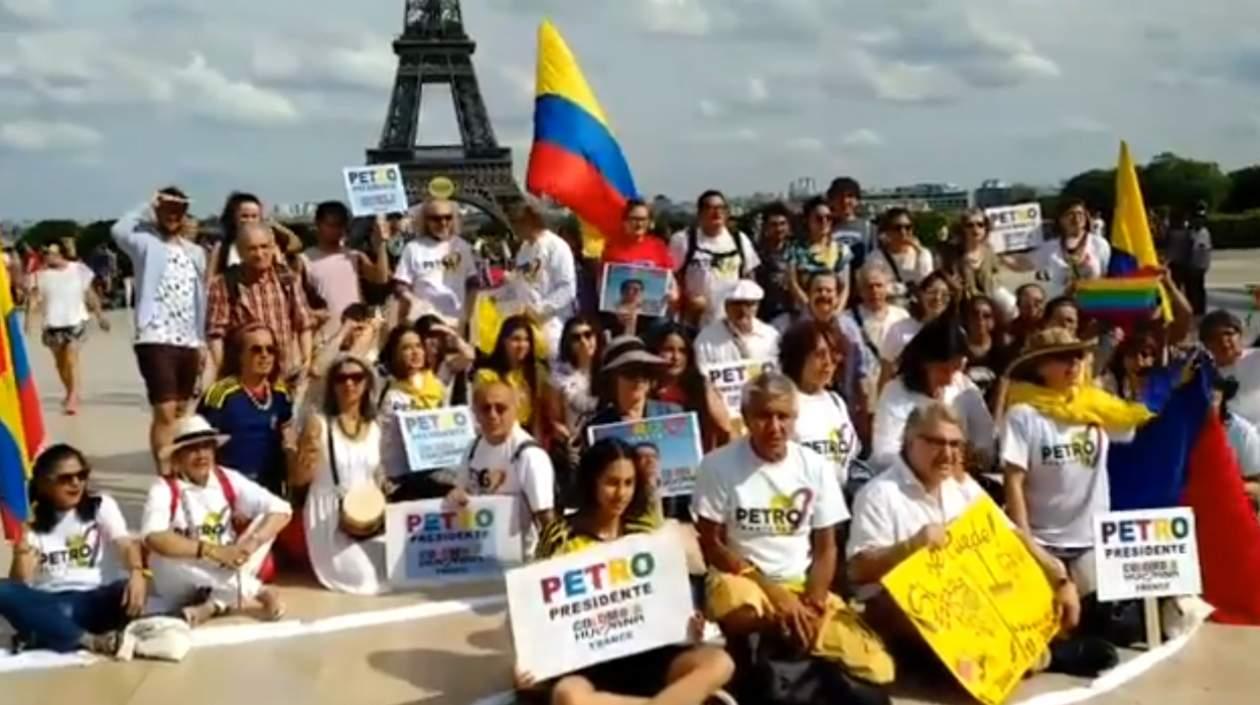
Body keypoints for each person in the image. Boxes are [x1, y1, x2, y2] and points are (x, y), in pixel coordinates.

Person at [847, 403, 1111, 676]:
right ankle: (1039, 656)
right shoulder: (879, 493)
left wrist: (1059, 578)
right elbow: (857, 570)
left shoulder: (962, 487)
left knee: (1024, 573)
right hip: (903, 610)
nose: (948, 453)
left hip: (966, 600)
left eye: (955, 444)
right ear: (911, 441)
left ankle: (1029, 652)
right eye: (937, 442)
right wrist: (910, 547)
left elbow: (1013, 536)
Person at [693, 372, 895, 686]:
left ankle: (794, 634)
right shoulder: (718, 465)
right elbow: (712, 543)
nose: (774, 427)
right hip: (745, 580)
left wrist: (813, 601)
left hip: (801, 585)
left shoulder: (814, 466)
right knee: (737, 606)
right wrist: (775, 595)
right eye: (763, 416)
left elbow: (826, 547)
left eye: (782, 416)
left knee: (880, 668)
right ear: (746, 418)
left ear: (794, 418)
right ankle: (781, 632)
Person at [516, 438, 737, 705]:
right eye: (612, 483)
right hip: (589, 663)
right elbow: (538, 609)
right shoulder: (560, 535)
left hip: (651, 654)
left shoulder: (643, 533)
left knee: (719, 662)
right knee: (569, 697)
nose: (621, 493)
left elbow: (666, 599)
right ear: (592, 482)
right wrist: (530, 661)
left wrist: (690, 621)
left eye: (629, 483)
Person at [1002, 328, 1153, 651]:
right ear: (1040, 367)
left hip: (1092, 541)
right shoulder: (1022, 415)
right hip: (1042, 542)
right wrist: (1028, 545)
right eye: (1061, 358)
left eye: (1077, 356)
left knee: (1117, 628)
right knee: (1044, 625)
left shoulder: (1097, 406)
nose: (1073, 364)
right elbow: (1013, 482)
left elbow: (1139, 420)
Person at [142, 415, 292, 625]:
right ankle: (259, 591)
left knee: (266, 521)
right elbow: (154, 537)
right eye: (193, 449)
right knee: (165, 557)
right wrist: (212, 552)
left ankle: (211, 607)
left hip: (229, 563)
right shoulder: (163, 488)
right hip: (185, 573)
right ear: (177, 457)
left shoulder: (227, 478)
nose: (201, 454)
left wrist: (250, 545)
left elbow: (282, 509)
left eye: (207, 447)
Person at [0, 445, 146, 655]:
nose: (76, 483)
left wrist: (137, 572)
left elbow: (124, 544)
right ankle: (87, 640)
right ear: (44, 484)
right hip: (52, 600)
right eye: (66, 478)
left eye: (81, 475)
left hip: (98, 596)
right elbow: (21, 582)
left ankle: (47, 634)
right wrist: (21, 553)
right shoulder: (32, 524)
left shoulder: (101, 506)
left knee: (128, 589)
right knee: (5, 591)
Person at [112, 188, 209, 470]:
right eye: (166, 209)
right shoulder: (144, 243)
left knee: (180, 410)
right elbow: (118, 230)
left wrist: (201, 339)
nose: (172, 215)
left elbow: (199, 297)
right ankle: (165, 474)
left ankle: (179, 469)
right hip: (155, 336)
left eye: (178, 210)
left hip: (188, 339)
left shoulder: (196, 252)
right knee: (165, 411)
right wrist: (147, 205)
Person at [293, 355, 387, 595]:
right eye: (341, 378)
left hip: (366, 517)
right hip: (328, 515)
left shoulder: (375, 428)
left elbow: (376, 478)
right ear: (331, 385)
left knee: (391, 569)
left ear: (367, 384)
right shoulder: (319, 424)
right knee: (364, 579)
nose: (349, 384)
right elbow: (299, 479)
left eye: (356, 378)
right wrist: (302, 454)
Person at [447, 380, 556, 557]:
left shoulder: (529, 455)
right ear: (475, 413)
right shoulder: (472, 449)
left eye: (500, 408)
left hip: (521, 560)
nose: (493, 415)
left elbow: (547, 519)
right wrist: (455, 498)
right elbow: (461, 491)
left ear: (515, 409)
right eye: (485, 408)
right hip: (480, 556)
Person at [870, 317, 994, 472]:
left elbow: (985, 440)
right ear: (924, 364)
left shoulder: (965, 388)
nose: (950, 379)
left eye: (956, 369)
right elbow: (884, 453)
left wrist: (972, 457)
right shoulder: (895, 393)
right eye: (942, 370)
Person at [206, 222, 315, 383]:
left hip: (285, 374)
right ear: (240, 252)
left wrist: (306, 361)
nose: (259, 254)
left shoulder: (286, 279)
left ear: (272, 248)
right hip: (244, 376)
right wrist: (222, 373)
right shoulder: (225, 283)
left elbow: (303, 323)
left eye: (264, 247)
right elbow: (216, 334)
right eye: (252, 248)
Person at [377, 322, 473, 498]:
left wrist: (450, 334)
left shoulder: (436, 381)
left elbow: (468, 356)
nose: (415, 353)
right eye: (406, 348)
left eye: (418, 346)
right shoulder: (388, 389)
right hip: (402, 479)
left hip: (437, 474)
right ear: (396, 353)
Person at [198, 323, 297, 494]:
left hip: (271, 491)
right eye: (256, 350)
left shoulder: (280, 393)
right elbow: (202, 447)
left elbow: (288, 437)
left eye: (270, 349)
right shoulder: (221, 395)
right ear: (240, 355)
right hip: (232, 490)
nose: (265, 355)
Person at [25, 241, 109, 415]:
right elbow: (33, 300)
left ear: (61, 253)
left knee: (71, 357)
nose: (48, 256)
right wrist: (28, 320)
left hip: (76, 321)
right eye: (45, 253)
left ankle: (73, 396)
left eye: (51, 252)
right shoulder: (39, 275)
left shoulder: (78, 269)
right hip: (52, 323)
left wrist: (100, 316)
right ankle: (70, 390)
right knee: (60, 363)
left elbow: (90, 294)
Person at [779, 320, 861, 488]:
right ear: (798, 358)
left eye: (833, 355)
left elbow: (850, 455)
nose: (828, 363)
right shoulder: (783, 403)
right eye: (819, 354)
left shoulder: (836, 402)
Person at [302, 201, 391, 342]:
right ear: (318, 224)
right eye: (331, 225)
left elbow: (381, 278)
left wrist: (381, 245)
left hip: (358, 329)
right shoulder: (305, 259)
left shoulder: (354, 256)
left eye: (340, 225)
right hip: (326, 334)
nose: (336, 230)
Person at [672, 190, 760, 328]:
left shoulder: (739, 239)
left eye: (721, 208)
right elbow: (672, 277)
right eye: (710, 208)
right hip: (693, 321)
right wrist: (686, 300)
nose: (717, 212)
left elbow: (749, 276)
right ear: (700, 213)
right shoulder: (683, 240)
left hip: (730, 321)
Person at [508, 199, 577, 358]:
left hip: (552, 323)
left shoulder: (557, 246)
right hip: (527, 324)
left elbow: (567, 288)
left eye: (516, 221)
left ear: (531, 219)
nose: (514, 227)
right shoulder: (524, 249)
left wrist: (540, 309)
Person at [647, 324, 734, 450]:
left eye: (682, 351)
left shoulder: (700, 386)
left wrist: (706, 391)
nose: (676, 357)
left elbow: (725, 427)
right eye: (668, 350)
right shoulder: (645, 389)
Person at [392, 197, 478, 325]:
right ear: (426, 220)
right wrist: (414, 301)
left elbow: (473, 283)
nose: (443, 223)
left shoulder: (462, 246)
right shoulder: (413, 247)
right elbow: (400, 285)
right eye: (436, 219)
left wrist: (466, 315)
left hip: (453, 321)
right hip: (423, 321)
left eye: (448, 217)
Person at [1004, 198, 1111, 299]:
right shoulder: (1051, 247)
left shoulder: (1099, 244)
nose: (1076, 218)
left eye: (1080, 213)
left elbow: (1107, 275)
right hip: (1060, 304)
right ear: (1060, 219)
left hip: (1093, 302)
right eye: (1070, 214)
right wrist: (999, 253)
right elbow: (1023, 263)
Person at [473, 315, 550, 439]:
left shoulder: (534, 373)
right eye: (516, 339)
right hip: (499, 434)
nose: (522, 345)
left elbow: (537, 415)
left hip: (527, 434)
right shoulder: (487, 375)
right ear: (503, 341)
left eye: (526, 340)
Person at [843, 261, 909, 401]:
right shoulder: (847, 319)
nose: (874, 291)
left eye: (879, 285)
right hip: (863, 389)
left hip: (895, 385)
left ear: (887, 287)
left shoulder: (901, 316)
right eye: (869, 286)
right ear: (860, 290)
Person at [879, 271, 954, 384]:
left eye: (944, 294)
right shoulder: (900, 329)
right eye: (932, 292)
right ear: (921, 294)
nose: (937, 298)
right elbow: (886, 372)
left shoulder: (956, 332)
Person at [546, 315, 604, 447]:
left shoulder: (608, 371)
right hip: (575, 446)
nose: (583, 341)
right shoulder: (558, 378)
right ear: (568, 344)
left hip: (606, 442)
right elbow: (555, 420)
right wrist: (566, 437)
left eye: (588, 335)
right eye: (576, 338)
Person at [693, 280, 780, 368]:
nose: (743, 310)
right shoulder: (706, 339)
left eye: (749, 304)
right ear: (726, 306)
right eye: (737, 304)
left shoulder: (771, 336)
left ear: (757, 306)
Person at [786, 196, 850, 313]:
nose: (824, 222)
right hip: (804, 312)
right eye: (819, 218)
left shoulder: (841, 250)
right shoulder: (794, 250)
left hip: (833, 311)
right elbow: (793, 283)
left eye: (828, 218)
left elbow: (845, 287)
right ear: (807, 220)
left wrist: (836, 312)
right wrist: (811, 309)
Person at [936, 208, 1007, 308]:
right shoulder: (951, 253)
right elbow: (941, 273)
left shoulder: (989, 250)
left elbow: (995, 278)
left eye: (980, 225)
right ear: (962, 229)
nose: (975, 229)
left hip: (987, 305)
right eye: (970, 225)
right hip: (960, 307)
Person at [1201, 310, 1260, 427]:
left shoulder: (1256, 358)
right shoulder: (1202, 375)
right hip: (1228, 439)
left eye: (1228, 333)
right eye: (1214, 337)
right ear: (1206, 345)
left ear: (1240, 335)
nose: (1223, 341)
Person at [867, 208, 933, 308]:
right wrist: (906, 288)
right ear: (887, 231)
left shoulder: (923, 254)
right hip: (889, 310)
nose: (903, 232)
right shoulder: (875, 257)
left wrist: (919, 251)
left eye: (908, 227)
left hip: (917, 310)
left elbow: (927, 283)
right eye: (897, 228)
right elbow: (876, 288)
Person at [961, 295, 1010, 406]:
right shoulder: (956, 348)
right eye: (974, 314)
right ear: (966, 318)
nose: (980, 319)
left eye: (986, 316)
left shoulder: (1003, 351)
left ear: (994, 320)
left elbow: (1002, 390)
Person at [754, 201, 794, 323]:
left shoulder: (797, 252)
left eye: (782, 224)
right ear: (765, 227)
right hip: (765, 315)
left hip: (792, 314)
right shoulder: (756, 255)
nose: (779, 229)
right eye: (774, 225)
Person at [826, 177, 873, 273]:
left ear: (857, 200)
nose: (845, 201)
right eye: (839, 196)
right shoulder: (824, 226)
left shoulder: (869, 228)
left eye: (850, 196)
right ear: (831, 200)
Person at [1008, 282, 1047, 351]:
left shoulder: (1055, 327)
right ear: (1019, 307)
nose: (1033, 310)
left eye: (1038, 303)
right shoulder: (1011, 334)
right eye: (1026, 305)